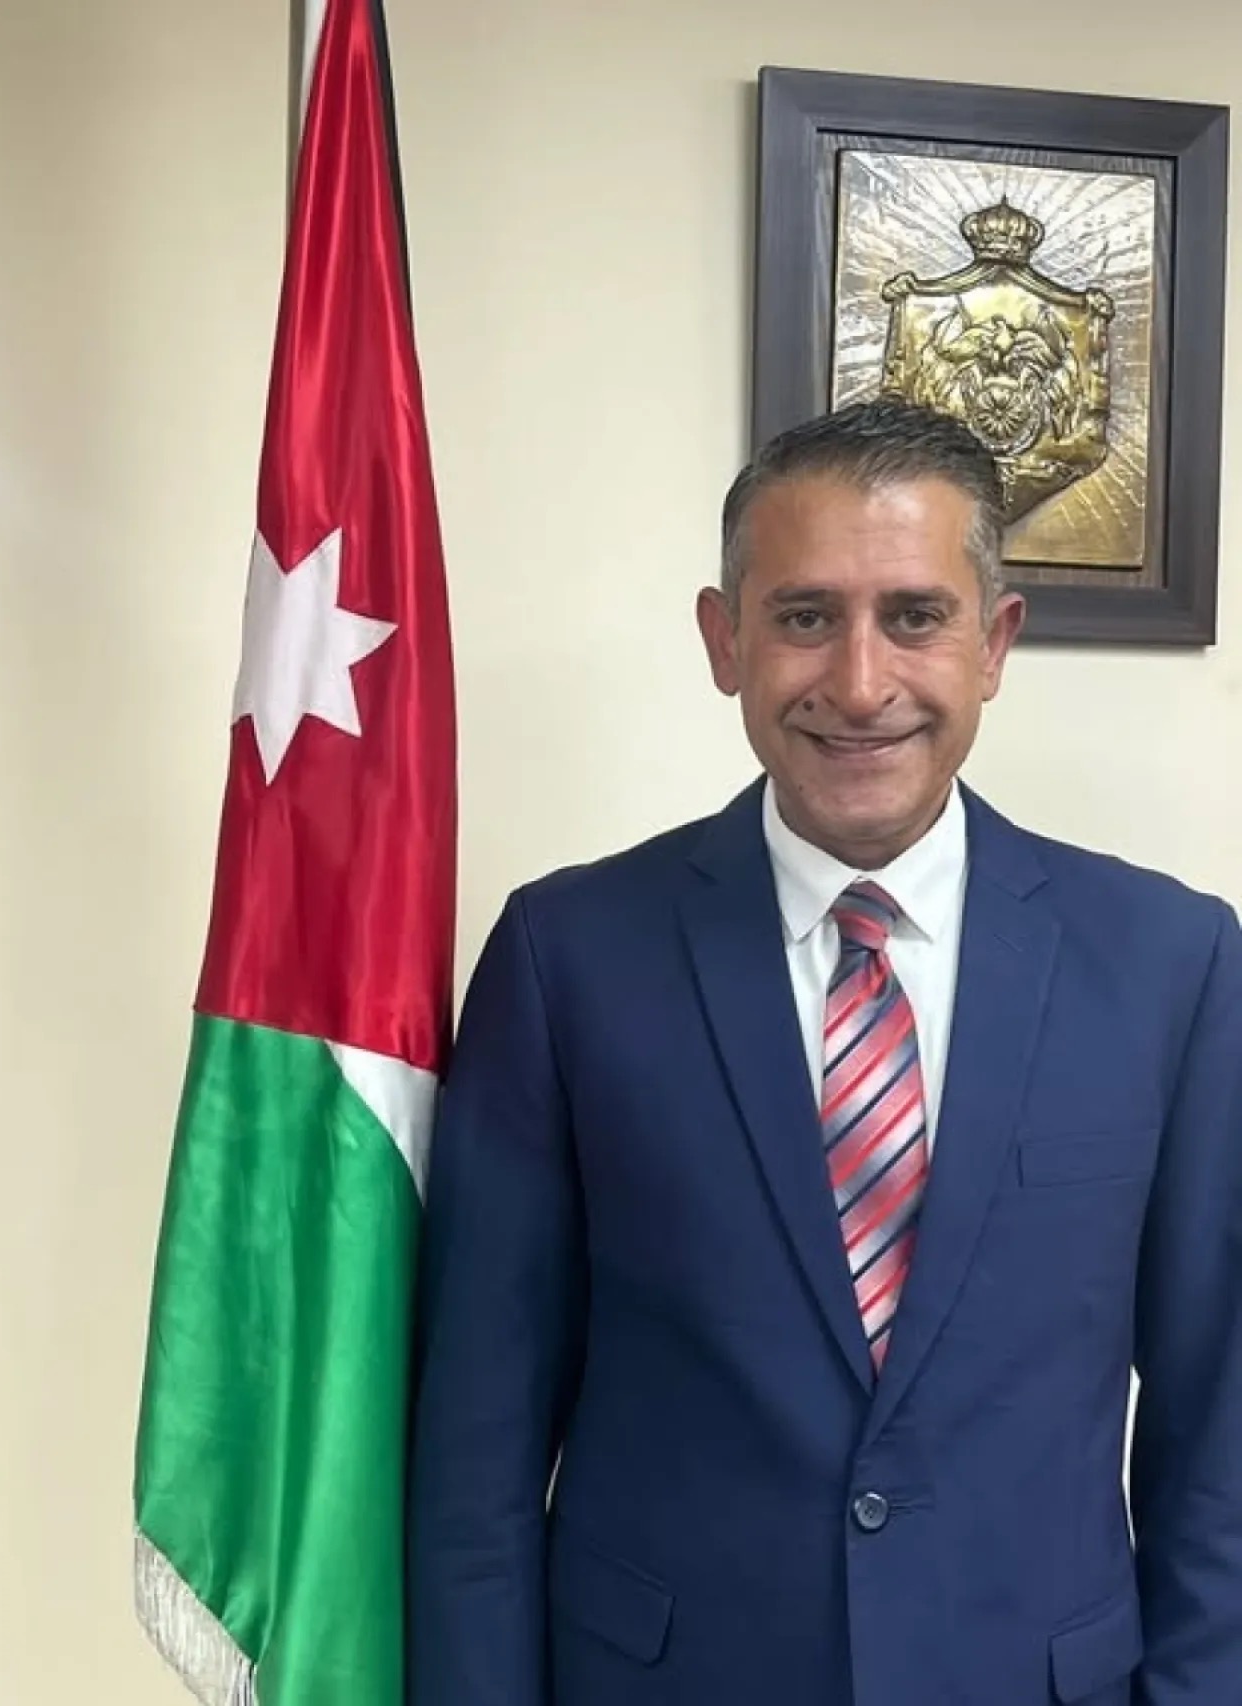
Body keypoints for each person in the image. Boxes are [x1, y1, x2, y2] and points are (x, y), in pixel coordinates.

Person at [407, 398, 1242, 1706]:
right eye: (804, 616)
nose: (859, 683)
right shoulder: (567, 961)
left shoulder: (1171, 965)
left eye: (915, 616)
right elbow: (477, 1453)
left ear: (994, 642)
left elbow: (1220, 1431)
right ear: (724, 639)